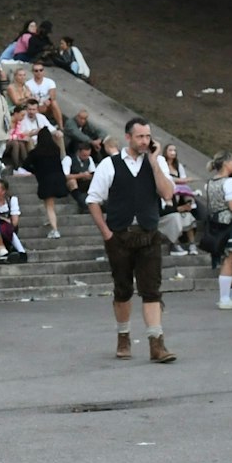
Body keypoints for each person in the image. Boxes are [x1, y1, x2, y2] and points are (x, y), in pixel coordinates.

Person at [86, 118, 178, 363]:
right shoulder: (110, 164)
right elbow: (93, 200)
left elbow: (168, 193)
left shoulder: (157, 162)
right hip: (120, 235)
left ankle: (156, 343)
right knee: (123, 289)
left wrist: (154, 162)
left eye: (148, 136)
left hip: (149, 234)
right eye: (140, 137)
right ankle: (123, 336)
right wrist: (106, 233)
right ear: (128, 137)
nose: (145, 141)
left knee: (152, 290)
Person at [202, 152, 232, 309]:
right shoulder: (230, 182)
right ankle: (224, 298)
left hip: (216, 223)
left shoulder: (210, 183)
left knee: (229, 260)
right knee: (230, 259)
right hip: (231, 223)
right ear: (225, 163)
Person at [24, 124, 70, 237]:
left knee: (49, 205)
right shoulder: (56, 150)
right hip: (59, 178)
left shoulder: (36, 152)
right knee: (49, 204)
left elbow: (25, 164)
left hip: (45, 180)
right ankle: (51, 220)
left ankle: (55, 229)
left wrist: (35, 170)